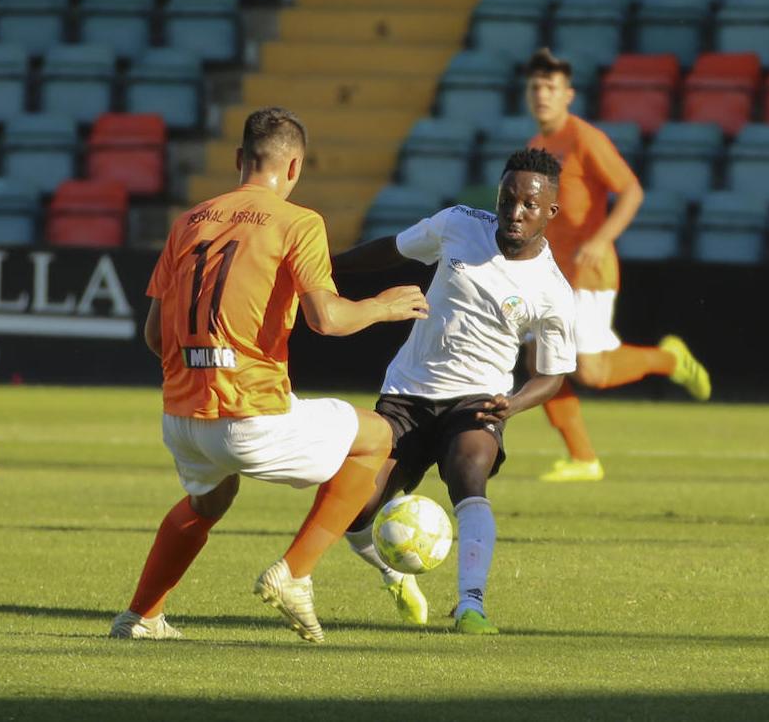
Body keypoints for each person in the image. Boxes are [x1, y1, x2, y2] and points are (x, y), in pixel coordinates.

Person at [109, 107, 429, 644]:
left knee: (209, 501)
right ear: (295, 166)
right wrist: (383, 306)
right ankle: (295, 574)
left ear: (240, 158)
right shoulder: (298, 222)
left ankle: (141, 616)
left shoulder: (189, 221)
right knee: (378, 436)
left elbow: (154, 336)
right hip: (248, 417)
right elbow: (326, 319)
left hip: (181, 419)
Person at [333, 148, 577, 635]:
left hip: (478, 400)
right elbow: (393, 249)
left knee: (469, 473)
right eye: (507, 200)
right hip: (408, 393)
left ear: (550, 210)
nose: (514, 212)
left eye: (529, 205)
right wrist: (327, 267)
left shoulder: (553, 290)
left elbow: (553, 375)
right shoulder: (458, 224)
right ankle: (393, 573)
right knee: (354, 508)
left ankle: (471, 605)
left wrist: (513, 404)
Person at [524, 47, 711, 483]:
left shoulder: (585, 138)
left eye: (550, 87)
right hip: (550, 272)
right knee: (539, 362)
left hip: (588, 269)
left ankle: (668, 359)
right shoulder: (535, 146)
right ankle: (583, 459)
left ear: (568, 95)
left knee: (591, 372)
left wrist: (600, 239)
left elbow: (631, 191)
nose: (542, 94)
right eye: (535, 87)